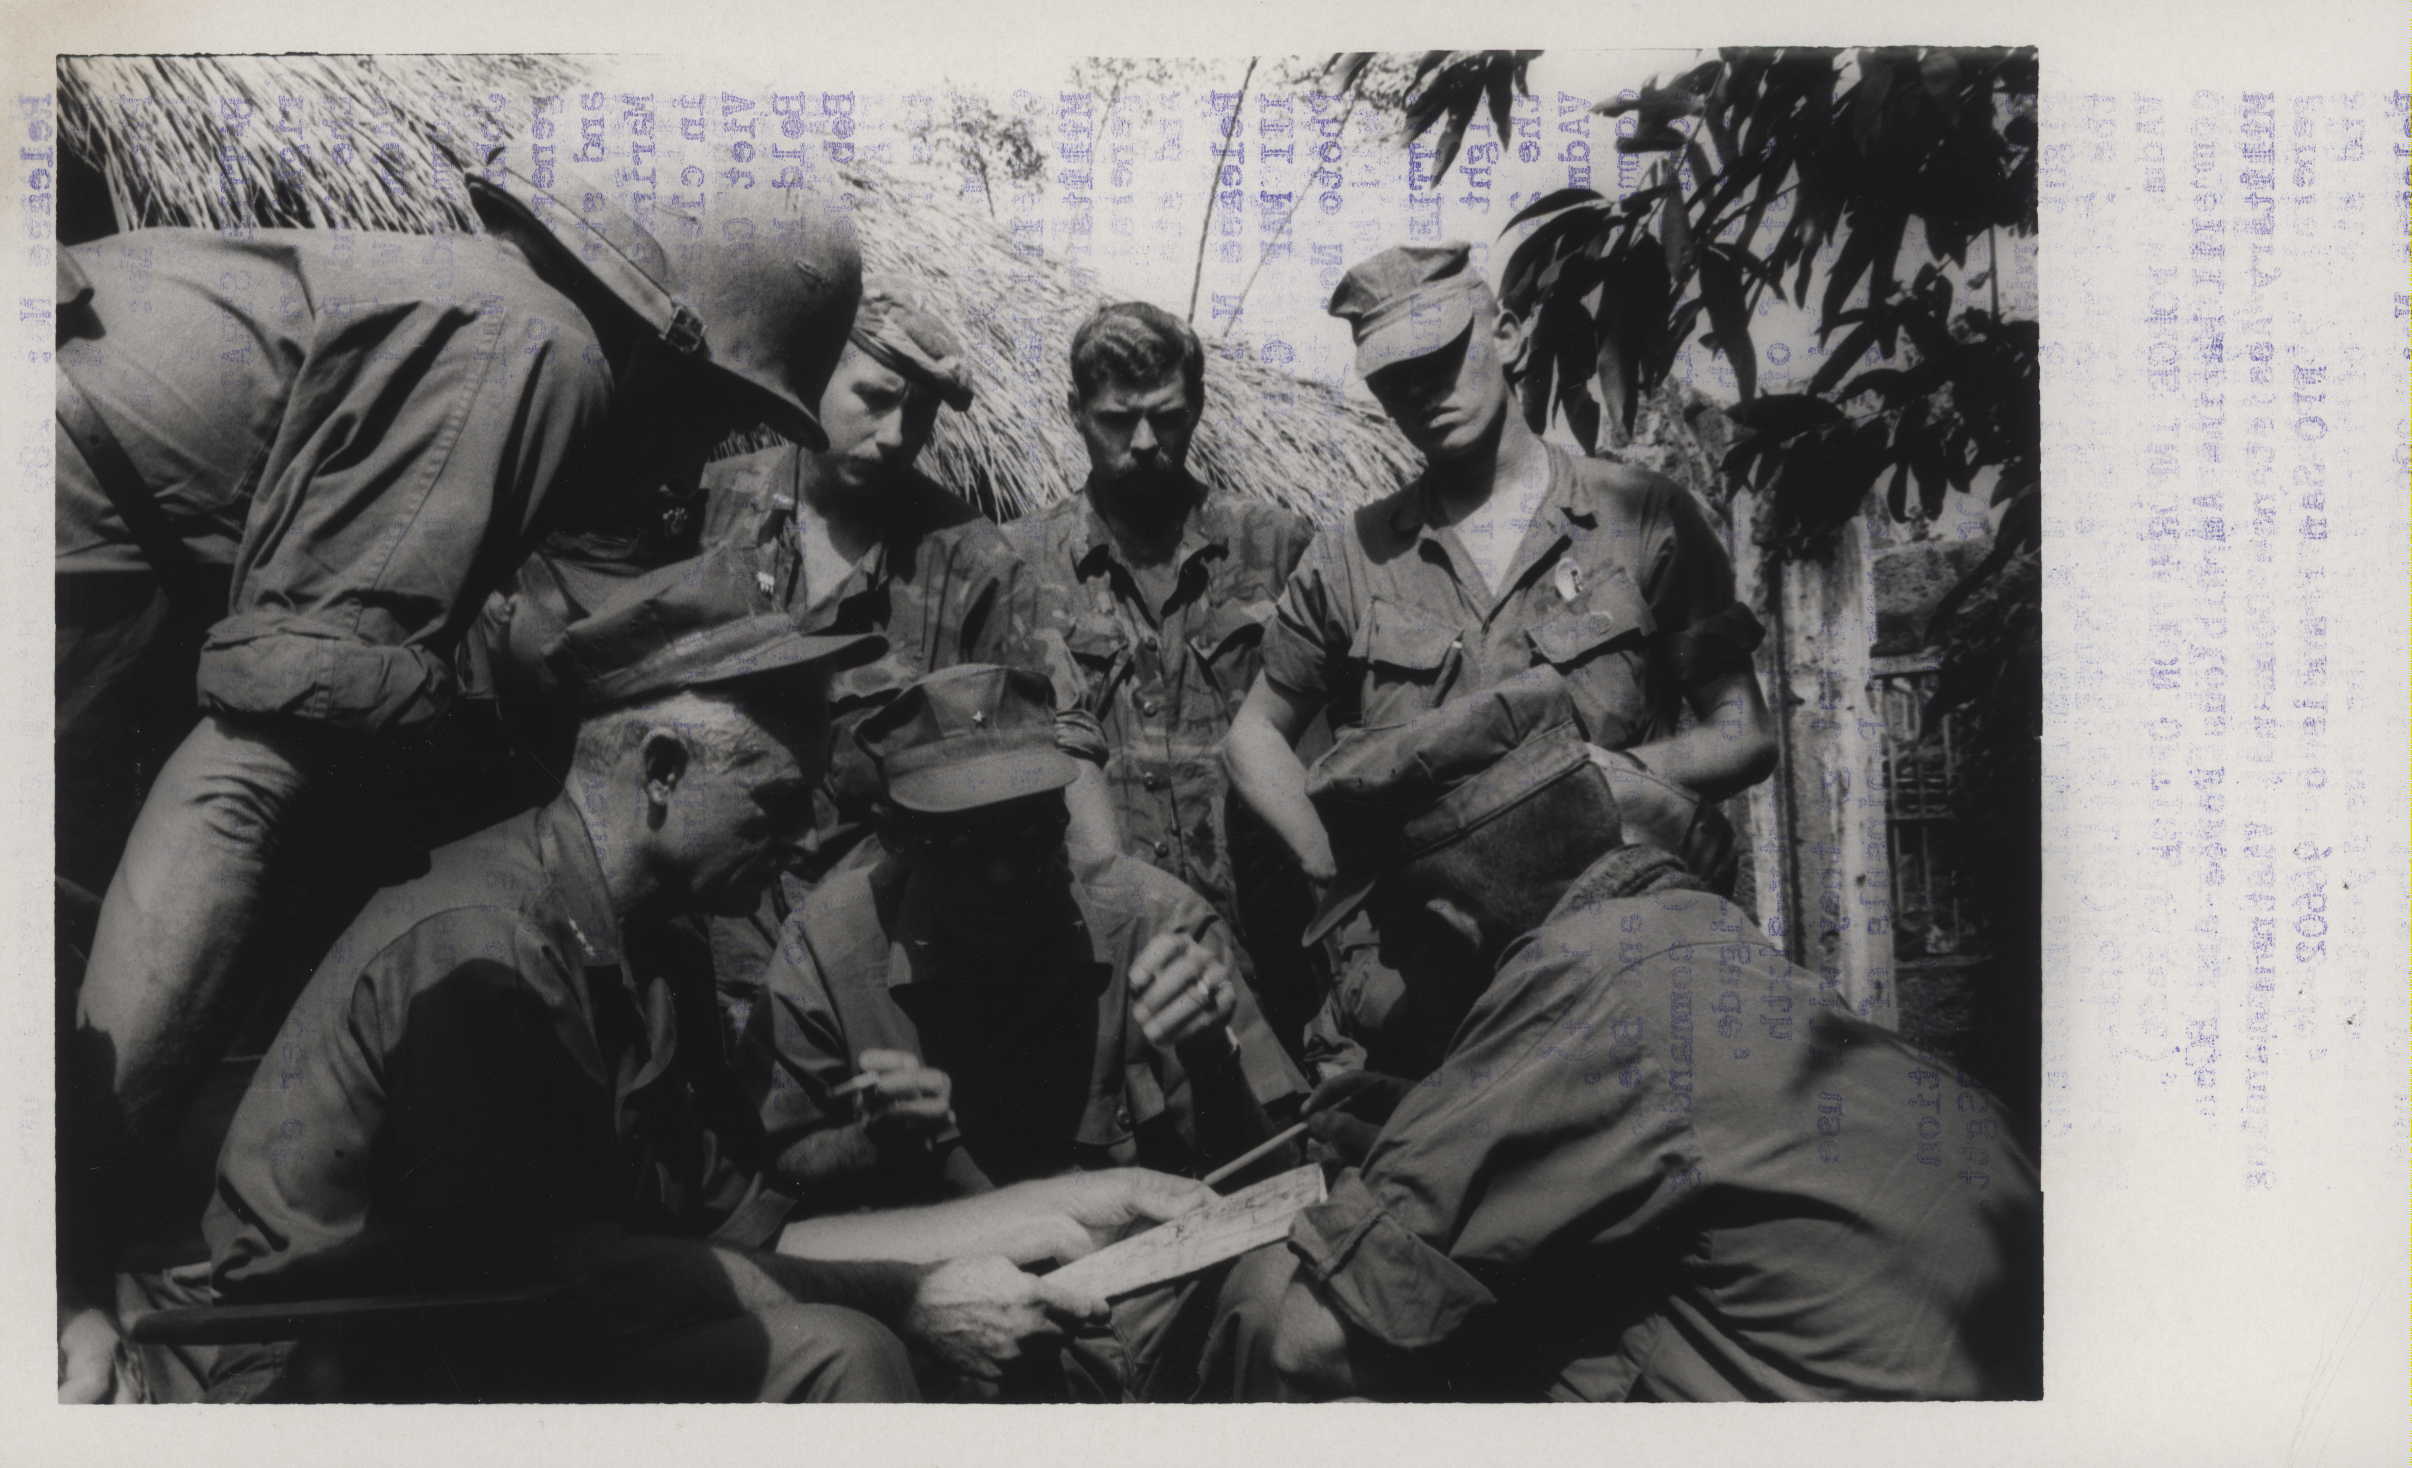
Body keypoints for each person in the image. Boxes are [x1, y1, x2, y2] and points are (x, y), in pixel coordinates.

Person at [55, 153, 864, 1398]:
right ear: (668, 339)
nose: (694, 463)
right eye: (717, 412)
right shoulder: (538, 352)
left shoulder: (465, 310)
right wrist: (68, 1250)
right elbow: (240, 789)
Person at [198, 549, 1119, 1403]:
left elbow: (727, 1237)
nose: (806, 841)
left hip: (500, 1334)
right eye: (780, 802)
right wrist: (909, 1299)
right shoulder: (488, 949)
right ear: (663, 774)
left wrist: (1054, 1209)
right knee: (840, 1350)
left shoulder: (660, 943)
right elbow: (560, 1277)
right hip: (330, 1373)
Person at [1196, 667, 2041, 1402]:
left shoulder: (1575, 976)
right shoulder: (1696, 935)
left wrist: (1398, 1169)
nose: (1390, 978)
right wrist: (1434, 1115)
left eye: (1394, 943)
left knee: (1271, 1293)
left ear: (1451, 930)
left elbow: (1311, 1344)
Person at [1223, 238, 1777, 1075]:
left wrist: (1608, 775)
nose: (1421, 390)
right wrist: (1337, 860)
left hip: (1623, 975)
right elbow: (1253, 735)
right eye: (1392, 377)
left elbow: (1743, 733)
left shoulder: (1640, 515)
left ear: (1510, 335)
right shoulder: (1350, 555)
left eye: (1442, 358)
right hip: (1426, 1009)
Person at [683, 277, 1115, 1035]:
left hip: (873, 971)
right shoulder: (703, 513)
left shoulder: (974, 564)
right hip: (696, 959)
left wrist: (1116, 909)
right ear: (817, 372)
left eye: (919, 416)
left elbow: (1059, 748)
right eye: (876, 398)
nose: (894, 435)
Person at [738, 662, 1305, 1206]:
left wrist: (1212, 1059)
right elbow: (772, 1176)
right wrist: (867, 1144)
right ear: (894, 838)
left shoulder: (1158, 926)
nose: (1003, 872)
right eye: (963, 844)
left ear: (1065, 815)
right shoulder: (827, 949)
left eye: (1031, 832)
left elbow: (1279, 1180)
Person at [1002, 302, 1324, 1049]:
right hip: (1113, 969)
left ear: (1200, 405)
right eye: (1118, 420)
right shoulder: (1017, 567)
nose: (1145, 443)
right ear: (1074, 412)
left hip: (1279, 956)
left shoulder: (1279, 546)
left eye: (1167, 416)